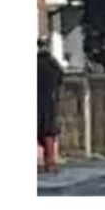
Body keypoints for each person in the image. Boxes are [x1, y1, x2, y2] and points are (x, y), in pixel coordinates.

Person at [37, 38, 63, 173]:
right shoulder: (53, 65)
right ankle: (49, 162)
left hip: (40, 100)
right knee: (48, 133)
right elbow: (60, 79)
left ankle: (47, 162)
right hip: (49, 101)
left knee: (44, 132)